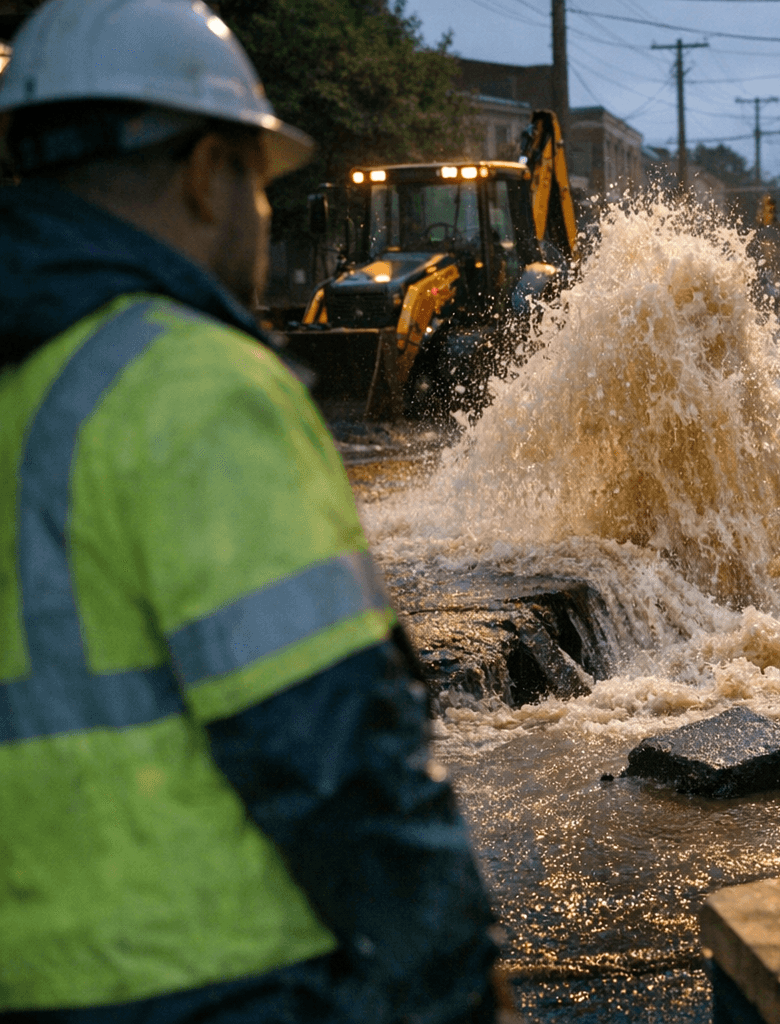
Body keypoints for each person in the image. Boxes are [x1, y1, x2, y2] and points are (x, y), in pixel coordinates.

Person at [0, 2, 503, 1021]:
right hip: (226, 977)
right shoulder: (192, 385)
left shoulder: (31, 373)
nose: (263, 216)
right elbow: (332, 750)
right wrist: (454, 977)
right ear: (205, 173)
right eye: (259, 184)